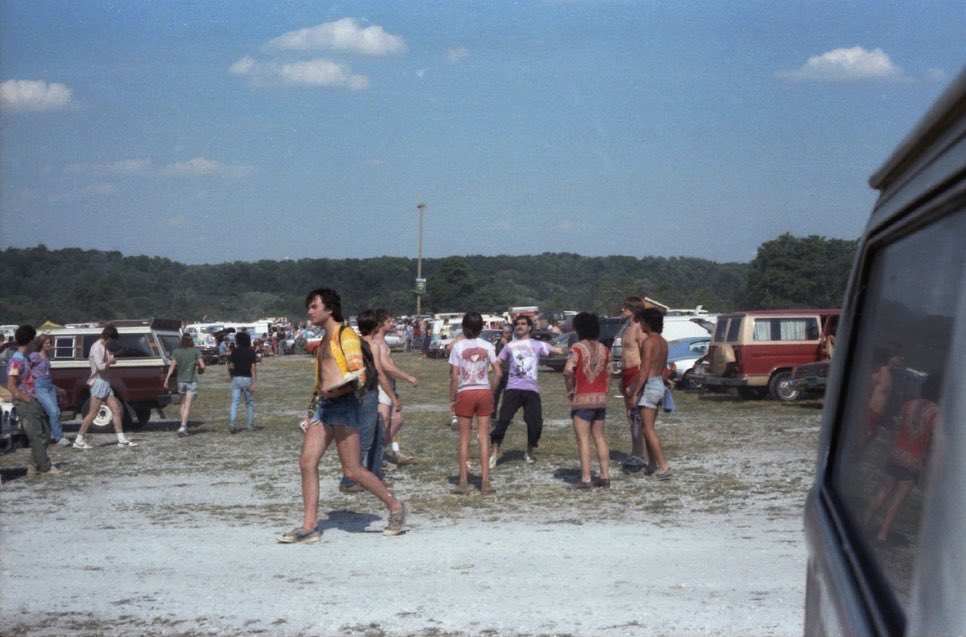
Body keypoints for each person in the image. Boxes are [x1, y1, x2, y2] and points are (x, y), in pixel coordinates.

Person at [277, 288, 406, 544]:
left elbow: (360, 376)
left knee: (352, 470)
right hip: (324, 407)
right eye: (309, 307)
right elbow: (322, 380)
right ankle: (309, 527)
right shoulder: (325, 339)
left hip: (344, 406)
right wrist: (312, 409)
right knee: (306, 463)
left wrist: (337, 390)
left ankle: (396, 507)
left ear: (330, 309)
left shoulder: (345, 335)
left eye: (314, 306)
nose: (309, 312)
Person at [863, 374, 941, 543]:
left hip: (896, 454)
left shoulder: (908, 405)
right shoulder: (936, 413)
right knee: (897, 500)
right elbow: (934, 440)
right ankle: (882, 535)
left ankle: (864, 522)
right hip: (914, 461)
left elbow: (897, 427)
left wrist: (893, 449)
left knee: (884, 489)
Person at [489, 315, 565, 467]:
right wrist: (482, 371)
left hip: (531, 390)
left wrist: (576, 347)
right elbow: (497, 362)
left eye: (523, 324)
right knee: (503, 421)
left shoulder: (538, 344)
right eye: (517, 324)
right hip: (513, 388)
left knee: (535, 423)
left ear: (530, 327)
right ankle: (495, 453)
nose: (520, 326)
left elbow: (557, 351)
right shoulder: (510, 346)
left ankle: (529, 451)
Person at [339, 309, 396, 494]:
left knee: (378, 436)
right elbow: (380, 374)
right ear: (376, 326)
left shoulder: (354, 343)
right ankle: (349, 479)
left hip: (356, 394)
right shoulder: (373, 345)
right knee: (365, 439)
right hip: (368, 394)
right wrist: (393, 397)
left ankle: (375, 476)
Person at [449, 312, 502, 495]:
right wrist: (492, 392)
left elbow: (454, 377)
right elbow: (498, 373)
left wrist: (452, 398)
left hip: (465, 391)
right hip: (483, 390)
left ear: (464, 327)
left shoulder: (457, 347)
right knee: (483, 438)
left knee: (464, 439)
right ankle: (485, 481)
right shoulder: (488, 346)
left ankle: (463, 482)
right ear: (481, 327)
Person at [563, 312, 611, 489]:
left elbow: (568, 370)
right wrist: (605, 390)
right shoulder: (604, 349)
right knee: (599, 437)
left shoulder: (576, 348)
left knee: (583, 439)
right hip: (600, 398)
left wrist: (570, 390)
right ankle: (605, 476)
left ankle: (586, 478)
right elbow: (609, 372)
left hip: (582, 398)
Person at [6, 325, 61, 475]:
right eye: (34, 340)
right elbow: (11, 385)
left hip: (32, 400)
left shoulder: (26, 358)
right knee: (37, 435)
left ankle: (34, 465)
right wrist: (25, 399)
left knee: (45, 433)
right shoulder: (16, 360)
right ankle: (45, 467)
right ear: (30, 341)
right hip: (25, 402)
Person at [73, 325, 138, 449]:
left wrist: (117, 354)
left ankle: (121, 439)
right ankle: (79, 440)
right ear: (108, 338)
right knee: (92, 413)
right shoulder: (96, 347)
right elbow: (101, 366)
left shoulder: (104, 348)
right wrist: (110, 362)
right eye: (112, 340)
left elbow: (108, 358)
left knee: (116, 410)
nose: (112, 342)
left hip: (105, 383)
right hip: (98, 383)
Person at [628, 308, 671, 480]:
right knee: (649, 427)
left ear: (648, 323)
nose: (640, 325)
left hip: (650, 385)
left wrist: (634, 392)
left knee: (648, 429)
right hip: (659, 384)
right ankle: (653, 464)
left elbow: (644, 370)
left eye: (642, 322)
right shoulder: (663, 342)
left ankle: (663, 466)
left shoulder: (648, 342)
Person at [371, 311, 419, 465]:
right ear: (381, 324)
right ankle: (375, 455)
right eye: (389, 321)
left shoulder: (382, 341)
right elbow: (385, 366)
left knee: (394, 420)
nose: (393, 324)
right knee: (386, 421)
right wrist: (408, 377)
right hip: (381, 387)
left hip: (388, 386)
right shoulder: (378, 342)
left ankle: (391, 453)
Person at [618, 296, 648, 471]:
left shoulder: (639, 329)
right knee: (630, 415)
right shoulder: (626, 328)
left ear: (634, 310)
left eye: (626, 307)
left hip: (636, 372)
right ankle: (635, 451)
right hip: (626, 373)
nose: (622, 310)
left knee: (636, 415)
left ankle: (639, 455)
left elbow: (645, 356)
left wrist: (636, 382)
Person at [30, 334, 69, 446]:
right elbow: (27, 369)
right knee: (52, 411)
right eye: (46, 343)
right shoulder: (35, 355)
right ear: (41, 343)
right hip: (40, 385)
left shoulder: (47, 356)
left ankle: (53, 435)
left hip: (49, 385)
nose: (49, 345)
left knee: (56, 411)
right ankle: (59, 438)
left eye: (49, 343)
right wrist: (31, 387)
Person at [165, 333, 206, 438]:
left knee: (182, 403)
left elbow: (172, 366)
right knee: (187, 405)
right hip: (191, 381)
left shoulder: (176, 351)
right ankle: (183, 426)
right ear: (191, 341)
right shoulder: (196, 351)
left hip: (180, 381)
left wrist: (167, 379)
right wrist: (200, 370)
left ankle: (183, 425)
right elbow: (202, 366)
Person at [227, 330, 257, 434]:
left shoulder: (234, 351)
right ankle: (250, 425)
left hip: (236, 378)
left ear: (238, 341)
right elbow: (253, 368)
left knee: (235, 402)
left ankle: (233, 424)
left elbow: (231, 366)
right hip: (247, 378)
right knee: (249, 403)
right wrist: (254, 383)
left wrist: (231, 376)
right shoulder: (251, 352)